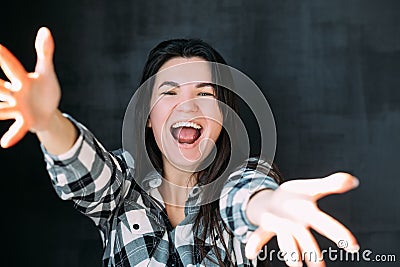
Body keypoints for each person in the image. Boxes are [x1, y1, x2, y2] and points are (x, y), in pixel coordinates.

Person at [0, 27, 359, 267]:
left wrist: (269, 204)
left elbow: (247, 194)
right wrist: (47, 122)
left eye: (205, 94)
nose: (187, 107)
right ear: (148, 118)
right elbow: (89, 174)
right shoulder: (122, 183)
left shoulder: (243, 175)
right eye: (170, 92)